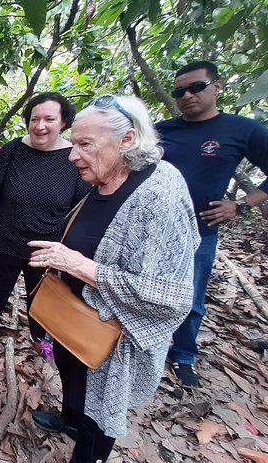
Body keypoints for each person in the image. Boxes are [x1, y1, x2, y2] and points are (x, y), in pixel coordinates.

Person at [27, 95, 200, 462]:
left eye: (85, 144)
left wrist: (80, 266)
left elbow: (170, 296)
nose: (73, 155)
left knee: (99, 411)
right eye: (74, 143)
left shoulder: (159, 193)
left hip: (110, 336)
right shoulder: (105, 178)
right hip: (72, 316)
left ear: (127, 140)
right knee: (74, 382)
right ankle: (69, 419)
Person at [157, 61, 268, 387]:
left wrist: (242, 205)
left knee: (191, 298)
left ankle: (183, 355)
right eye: (180, 91)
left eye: (196, 87)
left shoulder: (241, 129)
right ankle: (146, 341)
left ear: (217, 86)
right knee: (148, 287)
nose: (187, 95)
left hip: (200, 231)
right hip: (156, 228)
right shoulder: (164, 129)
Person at [0, 92, 91, 356]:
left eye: (49, 119)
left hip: (48, 247)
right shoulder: (13, 151)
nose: (40, 125)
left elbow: (82, 206)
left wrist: (71, 251)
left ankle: (40, 337)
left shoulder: (74, 158)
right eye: (35, 118)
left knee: (43, 294)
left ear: (63, 123)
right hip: (5, 239)